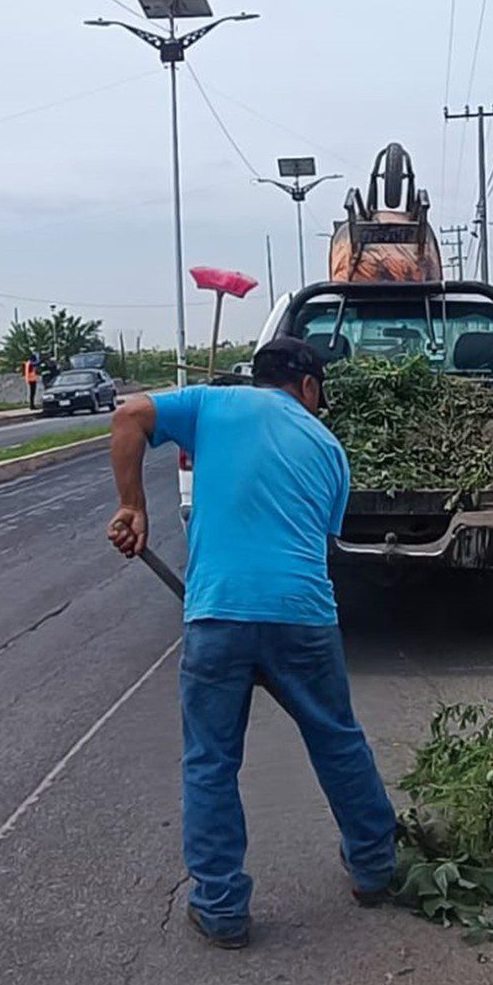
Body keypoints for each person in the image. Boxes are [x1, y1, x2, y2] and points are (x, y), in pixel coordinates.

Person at [106, 337, 397, 949]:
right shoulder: (329, 448)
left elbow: (129, 413)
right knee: (337, 741)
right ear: (310, 388)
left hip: (219, 616)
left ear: (254, 377)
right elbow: (318, 546)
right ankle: (375, 869)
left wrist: (133, 506)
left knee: (211, 760)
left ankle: (221, 909)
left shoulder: (212, 407)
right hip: (301, 617)